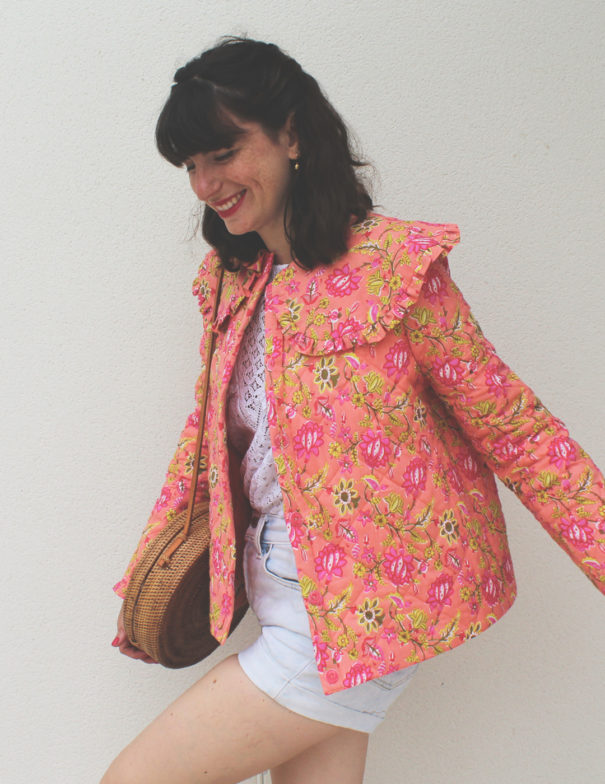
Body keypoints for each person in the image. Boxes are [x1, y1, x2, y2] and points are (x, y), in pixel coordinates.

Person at [102, 36, 605, 784]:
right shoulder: (234, 280)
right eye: (191, 165)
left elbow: (516, 429)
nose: (207, 183)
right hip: (280, 593)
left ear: (292, 134)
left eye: (223, 152)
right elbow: (210, 443)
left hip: (356, 614)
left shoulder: (395, 269)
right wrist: (157, 567)